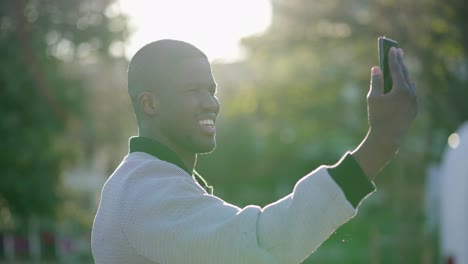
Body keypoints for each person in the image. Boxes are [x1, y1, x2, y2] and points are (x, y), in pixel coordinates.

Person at [91, 39, 417, 264]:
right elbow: (262, 244)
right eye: (193, 90)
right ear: (150, 103)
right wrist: (381, 142)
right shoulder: (146, 193)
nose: (212, 103)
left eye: (212, 90)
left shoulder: (150, 181)